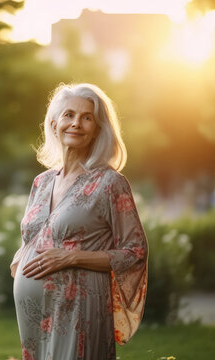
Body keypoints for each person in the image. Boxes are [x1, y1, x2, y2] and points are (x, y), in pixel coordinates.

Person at [11, 83, 148, 359]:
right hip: (34, 316)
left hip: (79, 310)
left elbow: (135, 252)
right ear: (54, 123)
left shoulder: (110, 183)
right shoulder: (42, 181)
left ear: (98, 129)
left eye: (87, 117)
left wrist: (71, 258)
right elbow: (38, 233)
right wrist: (21, 255)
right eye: (69, 115)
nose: (76, 123)